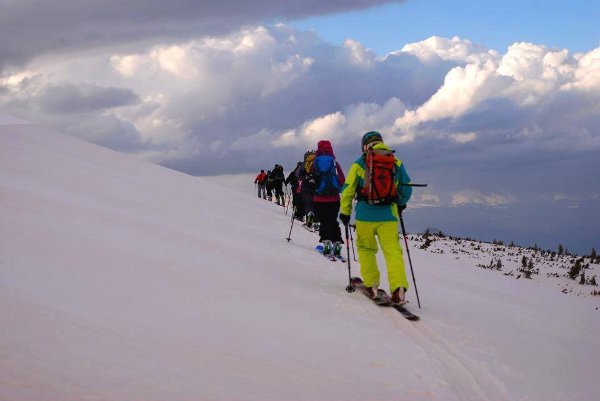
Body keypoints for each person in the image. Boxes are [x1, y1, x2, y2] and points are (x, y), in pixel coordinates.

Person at [339, 131, 412, 305]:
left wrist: (345, 212)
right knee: (392, 251)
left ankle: (371, 286)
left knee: (366, 249)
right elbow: (407, 188)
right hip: (389, 215)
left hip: (364, 215)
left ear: (364, 146)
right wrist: (400, 203)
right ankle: (399, 289)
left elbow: (347, 190)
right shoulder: (395, 162)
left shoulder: (359, 164)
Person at [311, 140, 345, 256]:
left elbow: (312, 179)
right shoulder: (335, 163)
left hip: (318, 198)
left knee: (324, 221)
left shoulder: (315, 163)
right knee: (332, 220)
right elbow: (341, 179)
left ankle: (326, 242)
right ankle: (336, 243)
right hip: (334, 198)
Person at [297, 150, 318, 230]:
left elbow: (298, 175)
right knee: (316, 203)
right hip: (316, 185)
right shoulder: (318, 162)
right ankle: (316, 223)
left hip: (306, 186)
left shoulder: (303, 164)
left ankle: (309, 220)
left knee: (308, 203)